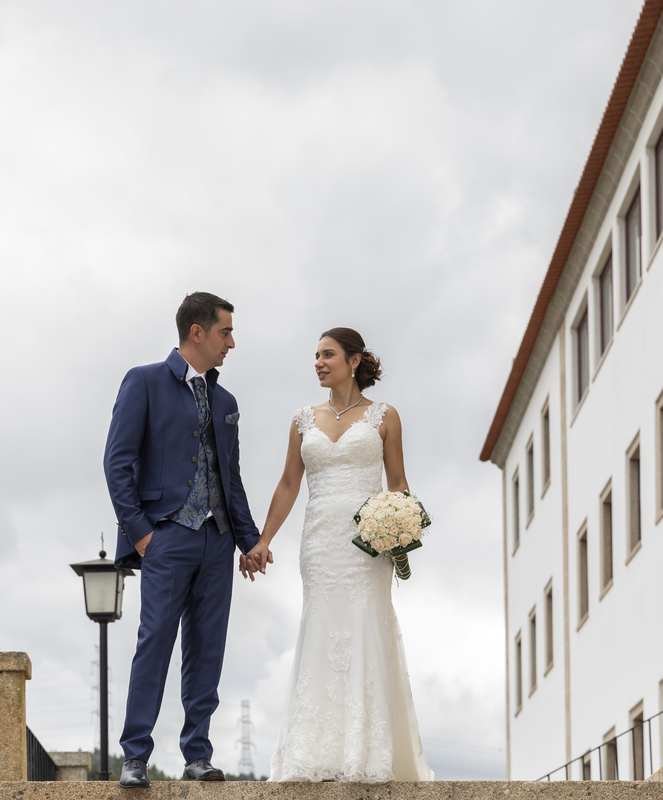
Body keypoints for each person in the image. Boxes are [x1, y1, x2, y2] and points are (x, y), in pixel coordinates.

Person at [242, 327, 434, 783]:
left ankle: (366, 754)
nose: (319, 363)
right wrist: (264, 539)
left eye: (328, 354)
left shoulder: (385, 416)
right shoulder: (302, 420)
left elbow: (398, 482)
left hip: (367, 545)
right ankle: (316, 752)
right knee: (321, 628)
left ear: (354, 360)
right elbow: (289, 484)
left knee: (366, 626)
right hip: (320, 542)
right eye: (315, 356)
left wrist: (399, 527)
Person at [103, 292, 265, 788]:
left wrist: (249, 541)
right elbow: (117, 463)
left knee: (207, 648)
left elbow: (229, 478)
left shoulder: (226, 401)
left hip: (217, 541)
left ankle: (198, 753)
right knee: (154, 642)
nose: (231, 343)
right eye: (226, 332)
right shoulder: (145, 381)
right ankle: (135, 756)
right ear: (198, 331)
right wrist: (142, 534)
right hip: (166, 536)